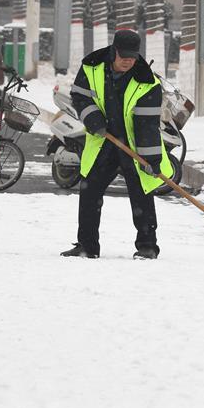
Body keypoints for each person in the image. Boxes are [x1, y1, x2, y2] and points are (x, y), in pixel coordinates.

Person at [60, 30, 174, 260]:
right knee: (89, 192)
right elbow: (80, 96)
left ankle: (147, 247)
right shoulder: (92, 67)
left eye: (133, 57)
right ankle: (87, 246)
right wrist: (93, 119)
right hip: (104, 142)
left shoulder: (147, 82)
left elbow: (147, 125)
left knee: (142, 193)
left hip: (134, 146)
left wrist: (151, 160)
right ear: (114, 51)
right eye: (124, 56)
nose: (128, 61)